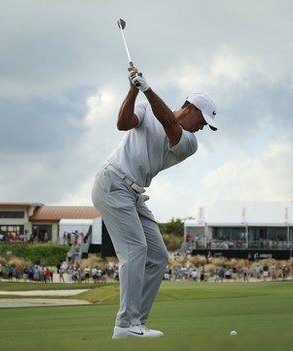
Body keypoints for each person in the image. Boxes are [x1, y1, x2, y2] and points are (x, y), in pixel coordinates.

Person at [91, 66, 217, 340]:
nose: (203, 127)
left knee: (157, 256)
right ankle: (125, 324)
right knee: (136, 249)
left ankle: (136, 323)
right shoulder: (148, 110)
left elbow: (170, 125)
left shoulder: (189, 143)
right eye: (203, 119)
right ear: (190, 108)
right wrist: (133, 89)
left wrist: (146, 88)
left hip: (133, 194)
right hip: (112, 183)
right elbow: (122, 124)